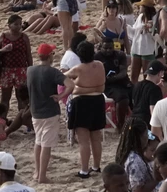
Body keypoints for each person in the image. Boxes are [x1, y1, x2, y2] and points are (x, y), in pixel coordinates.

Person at [65, 40, 107, 178]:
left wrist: (78, 87)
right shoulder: (100, 65)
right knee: (96, 137)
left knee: (83, 139)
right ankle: (96, 166)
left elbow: (63, 77)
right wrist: (89, 87)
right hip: (98, 100)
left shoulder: (78, 69)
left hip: (82, 103)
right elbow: (100, 87)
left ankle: (84, 170)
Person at [25, 42, 64, 184]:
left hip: (35, 111)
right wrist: (60, 96)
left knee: (38, 142)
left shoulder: (30, 70)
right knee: (46, 145)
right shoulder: (52, 72)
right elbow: (70, 85)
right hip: (50, 111)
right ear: (49, 56)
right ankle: (42, 176)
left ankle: (36, 172)